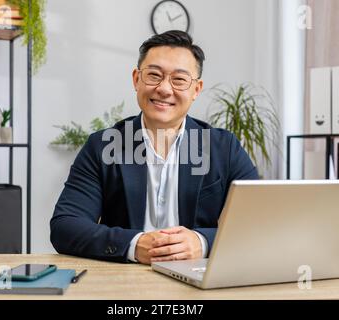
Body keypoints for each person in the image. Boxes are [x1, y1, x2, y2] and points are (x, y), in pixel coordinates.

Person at [50, 30, 258, 264]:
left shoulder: (223, 147)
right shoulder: (103, 146)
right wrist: (134, 244)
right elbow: (65, 226)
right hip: (124, 281)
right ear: (136, 80)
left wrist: (203, 242)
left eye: (179, 79)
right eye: (154, 75)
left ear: (196, 90)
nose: (165, 89)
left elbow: (259, 222)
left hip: (200, 282)